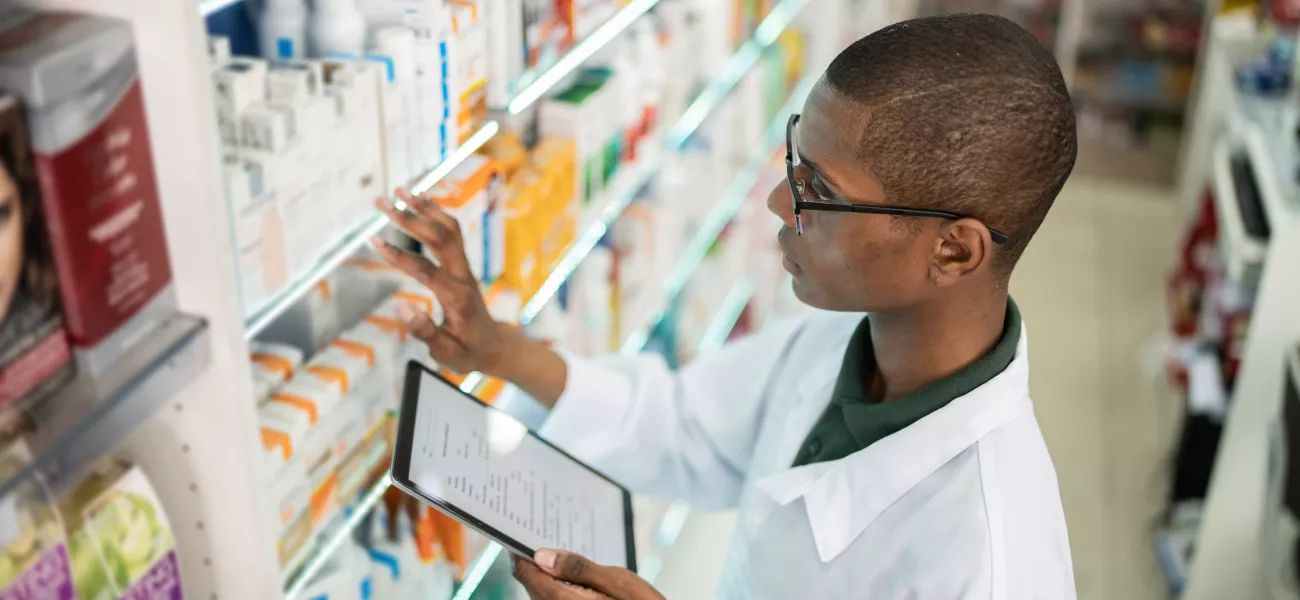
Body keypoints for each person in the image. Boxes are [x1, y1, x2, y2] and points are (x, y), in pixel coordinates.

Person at [372, 12, 1078, 599]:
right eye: (794, 162)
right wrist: (500, 351)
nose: (778, 202)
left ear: (954, 251)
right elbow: (682, 428)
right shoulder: (847, 343)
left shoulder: (992, 563)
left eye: (820, 194)